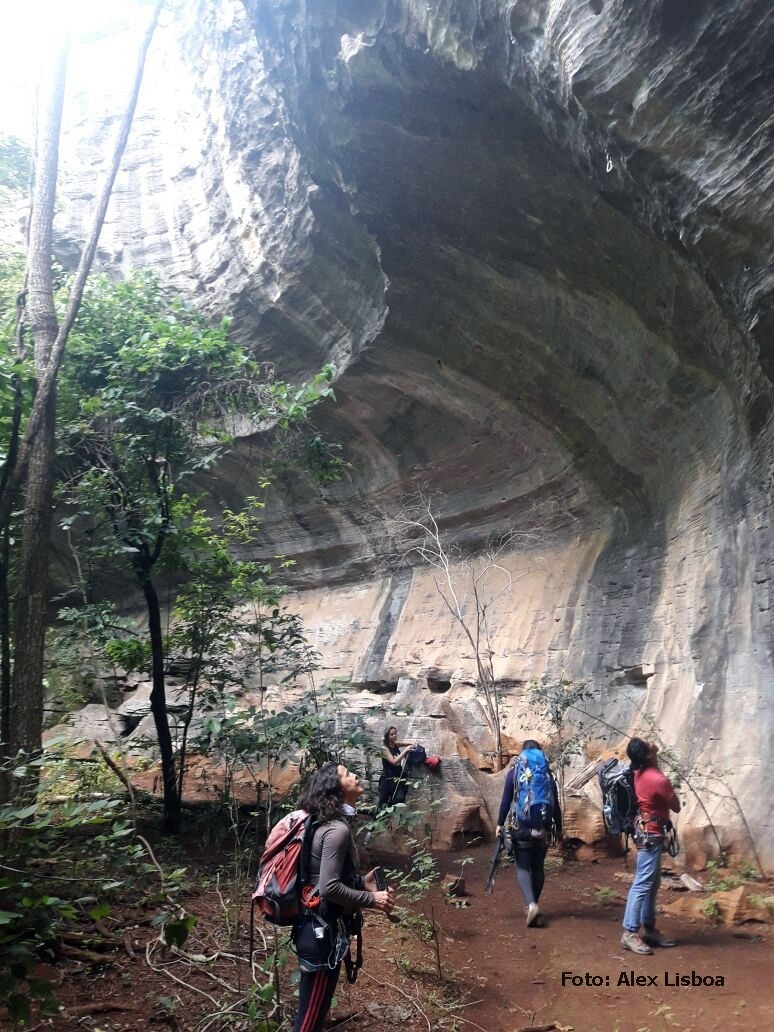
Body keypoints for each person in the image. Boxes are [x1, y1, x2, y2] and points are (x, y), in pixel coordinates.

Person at [292, 762, 395, 1032]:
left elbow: (323, 879)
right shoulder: (336, 830)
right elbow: (328, 888)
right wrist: (373, 900)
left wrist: (364, 882)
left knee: (314, 1014)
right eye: (348, 774)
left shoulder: (328, 823)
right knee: (308, 1022)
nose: (356, 775)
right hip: (321, 934)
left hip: (320, 929)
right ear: (336, 789)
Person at [620, 738, 681, 954]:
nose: (652, 741)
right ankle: (629, 932)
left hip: (643, 830)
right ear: (647, 755)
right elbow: (677, 806)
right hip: (651, 834)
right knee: (642, 884)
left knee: (652, 883)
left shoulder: (637, 772)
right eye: (648, 744)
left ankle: (650, 929)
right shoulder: (658, 779)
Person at [496, 739, 562, 927]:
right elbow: (555, 805)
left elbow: (506, 801)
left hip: (522, 827)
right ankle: (534, 904)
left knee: (523, 867)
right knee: (538, 866)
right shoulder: (548, 776)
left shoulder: (514, 773)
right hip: (543, 826)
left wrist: (500, 824)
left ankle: (531, 905)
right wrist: (559, 829)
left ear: (522, 755)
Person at [377, 726, 416, 807]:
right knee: (383, 802)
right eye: (392, 734)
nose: (394, 736)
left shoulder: (394, 744)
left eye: (395, 733)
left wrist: (412, 743)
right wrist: (406, 750)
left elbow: (402, 743)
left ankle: (390, 812)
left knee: (399, 797)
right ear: (387, 736)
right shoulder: (384, 748)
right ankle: (378, 817)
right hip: (387, 778)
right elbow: (394, 762)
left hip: (397, 776)